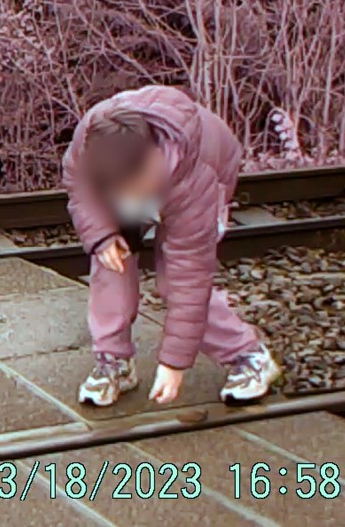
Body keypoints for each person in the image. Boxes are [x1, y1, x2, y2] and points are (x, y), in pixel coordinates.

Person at [62, 85, 281, 406]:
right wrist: (102, 234)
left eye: (135, 190)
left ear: (154, 158)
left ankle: (249, 356)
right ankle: (114, 361)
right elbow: (78, 185)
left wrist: (174, 363)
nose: (130, 201)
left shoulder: (198, 177)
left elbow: (190, 276)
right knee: (110, 257)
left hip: (203, 174)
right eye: (119, 191)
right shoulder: (91, 141)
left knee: (174, 281)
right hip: (139, 174)